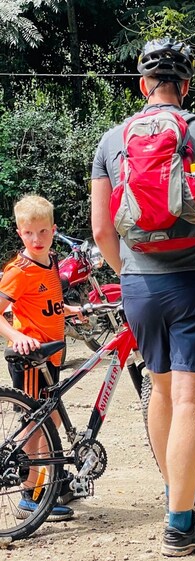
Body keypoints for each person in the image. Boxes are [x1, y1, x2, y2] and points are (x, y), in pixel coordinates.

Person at [90, 38, 195, 558]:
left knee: (160, 391)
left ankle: (173, 495)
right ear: (186, 87)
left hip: (140, 284)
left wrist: (132, 274)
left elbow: (101, 232)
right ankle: (180, 524)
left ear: (143, 86)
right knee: (189, 399)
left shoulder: (111, 141)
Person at [0, 194, 84, 521]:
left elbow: (44, 304)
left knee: (51, 419)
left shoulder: (50, 263)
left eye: (43, 232)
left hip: (52, 356)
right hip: (32, 358)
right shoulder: (18, 270)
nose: (36, 239)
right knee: (36, 425)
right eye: (29, 232)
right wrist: (17, 336)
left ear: (54, 230)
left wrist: (69, 311)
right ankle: (29, 494)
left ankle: (52, 483)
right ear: (20, 233)